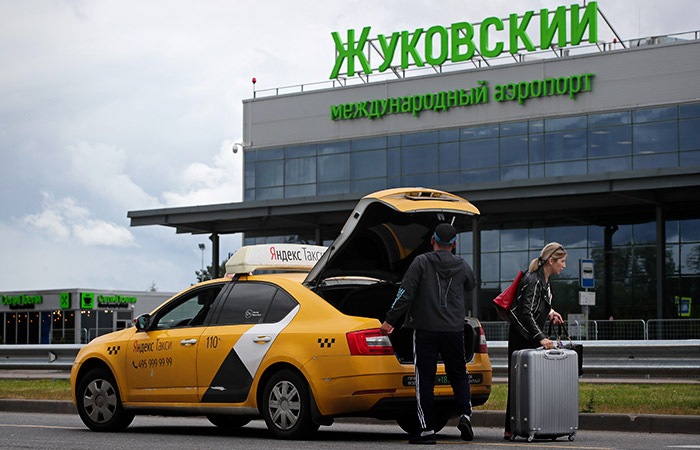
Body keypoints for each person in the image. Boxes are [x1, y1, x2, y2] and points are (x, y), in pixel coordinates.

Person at [380, 223, 476, 445]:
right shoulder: (462, 265)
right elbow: (471, 284)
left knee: (425, 378)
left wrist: (389, 320)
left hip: (426, 330)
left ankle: (427, 430)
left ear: (432, 239)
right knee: (459, 374)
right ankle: (465, 415)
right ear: (454, 244)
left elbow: (404, 293)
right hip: (454, 329)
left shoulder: (421, 262)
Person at [503, 242, 566, 440]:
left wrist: (551, 313)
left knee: (534, 383)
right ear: (551, 260)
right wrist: (542, 338)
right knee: (518, 384)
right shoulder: (533, 280)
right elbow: (526, 313)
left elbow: (539, 306)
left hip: (531, 336)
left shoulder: (545, 280)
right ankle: (511, 428)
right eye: (562, 262)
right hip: (522, 337)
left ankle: (531, 425)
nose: (564, 266)